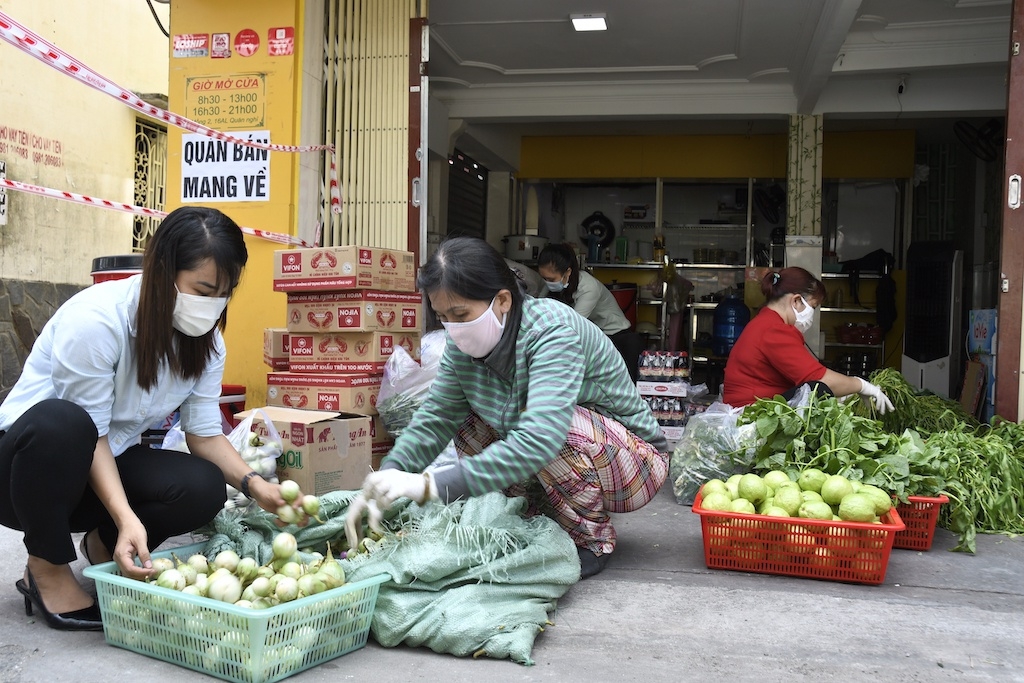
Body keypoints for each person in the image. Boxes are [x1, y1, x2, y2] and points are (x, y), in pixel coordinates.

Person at [0, 206, 296, 631]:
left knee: (203, 485)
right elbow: (91, 435)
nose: (213, 306)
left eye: (224, 294)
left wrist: (256, 485)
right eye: (203, 289)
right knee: (62, 423)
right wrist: (127, 515)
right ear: (162, 271)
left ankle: (103, 547)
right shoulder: (97, 320)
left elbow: (204, 434)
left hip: (97, 470)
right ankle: (45, 568)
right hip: (25, 475)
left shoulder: (205, 343)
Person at [345, 236, 669, 579]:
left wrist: (430, 485)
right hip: (572, 461)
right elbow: (435, 419)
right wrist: (388, 476)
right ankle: (527, 515)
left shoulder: (551, 332)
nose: (452, 327)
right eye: (443, 317)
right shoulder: (463, 347)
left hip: (634, 465)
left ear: (502, 300)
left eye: (460, 314)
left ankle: (590, 540)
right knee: (465, 416)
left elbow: (540, 438)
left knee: (553, 430)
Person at [722, 267, 895, 412]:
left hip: (749, 409)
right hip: (750, 415)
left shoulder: (765, 323)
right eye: (813, 306)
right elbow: (819, 379)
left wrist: (847, 391)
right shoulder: (774, 330)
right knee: (817, 389)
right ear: (796, 301)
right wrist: (862, 385)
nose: (812, 313)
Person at [535, 242, 645, 382]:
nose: (547, 283)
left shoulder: (588, 287)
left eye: (551, 279)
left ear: (567, 273)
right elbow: (537, 312)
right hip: (593, 338)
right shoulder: (552, 286)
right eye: (544, 279)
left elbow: (572, 326)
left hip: (616, 337)